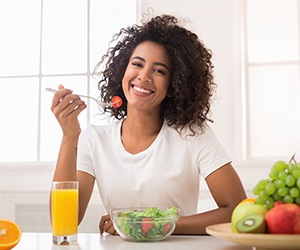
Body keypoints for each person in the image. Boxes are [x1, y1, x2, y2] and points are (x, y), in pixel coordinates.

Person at [50, 14, 246, 235]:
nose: (143, 76)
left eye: (159, 70)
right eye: (137, 64)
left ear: (174, 85)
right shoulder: (95, 140)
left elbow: (236, 210)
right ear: (123, 70)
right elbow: (64, 222)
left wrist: (151, 225)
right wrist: (69, 136)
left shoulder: (192, 135)